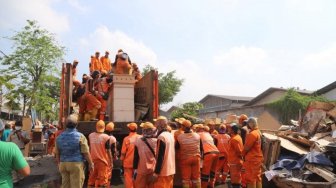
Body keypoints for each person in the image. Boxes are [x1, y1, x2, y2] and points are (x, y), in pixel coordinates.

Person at [55, 114, 94, 188]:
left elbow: (57, 153)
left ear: (66, 125)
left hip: (63, 164)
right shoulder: (80, 136)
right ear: (76, 125)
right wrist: (91, 164)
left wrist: (59, 163)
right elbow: (85, 152)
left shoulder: (59, 137)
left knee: (65, 185)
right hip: (76, 165)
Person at [0, 119, 30, 187]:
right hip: (11, 151)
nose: (17, 127)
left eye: (19, 125)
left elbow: (27, 141)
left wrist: (21, 136)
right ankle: (15, 181)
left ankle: (21, 179)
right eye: (17, 125)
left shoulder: (24, 132)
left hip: (20, 150)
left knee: (20, 167)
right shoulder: (11, 133)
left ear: (21, 126)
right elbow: (7, 141)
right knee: (13, 168)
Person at [176, 120, 202, 188]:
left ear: (183, 127)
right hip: (196, 158)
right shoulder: (197, 135)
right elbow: (201, 147)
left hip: (185, 159)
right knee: (196, 178)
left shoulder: (180, 137)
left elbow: (176, 147)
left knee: (186, 179)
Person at [152, 116, 175, 188]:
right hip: (171, 170)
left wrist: (156, 173)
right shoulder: (170, 135)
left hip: (163, 172)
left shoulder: (161, 137)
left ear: (158, 125)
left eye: (156, 123)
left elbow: (160, 156)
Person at [88, 120, 112, 188]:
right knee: (103, 182)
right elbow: (108, 151)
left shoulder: (91, 135)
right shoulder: (106, 137)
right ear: (104, 127)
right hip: (102, 162)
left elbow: (90, 148)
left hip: (92, 161)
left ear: (96, 127)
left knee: (91, 180)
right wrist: (111, 161)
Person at [133, 122, 157, 188]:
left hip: (141, 170)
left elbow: (136, 156)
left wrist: (135, 169)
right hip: (153, 169)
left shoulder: (138, 140)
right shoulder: (156, 141)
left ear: (143, 130)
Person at [243, 118, 264, 188]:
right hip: (258, 158)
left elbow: (246, 148)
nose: (247, 126)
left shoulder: (252, 134)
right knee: (257, 178)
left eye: (248, 124)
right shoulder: (258, 132)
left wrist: (241, 155)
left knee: (250, 179)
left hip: (252, 160)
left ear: (250, 124)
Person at [120, 123, 141, 188]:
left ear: (129, 129)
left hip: (128, 162)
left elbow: (123, 152)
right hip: (138, 163)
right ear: (136, 129)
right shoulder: (140, 137)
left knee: (128, 179)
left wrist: (121, 161)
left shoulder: (126, 139)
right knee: (137, 178)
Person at [227, 124, 244, 188]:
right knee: (236, 178)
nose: (229, 130)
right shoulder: (237, 137)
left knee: (235, 179)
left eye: (230, 129)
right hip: (235, 161)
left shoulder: (235, 139)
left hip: (235, 162)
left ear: (233, 130)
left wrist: (240, 158)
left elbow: (239, 151)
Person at [105, 122, 118, 186]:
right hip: (108, 158)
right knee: (108, 174)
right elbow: (114, 150)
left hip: (102, 156)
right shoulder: (113, 138)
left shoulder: (103, 136)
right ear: (112, 129)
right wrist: (115, 157)